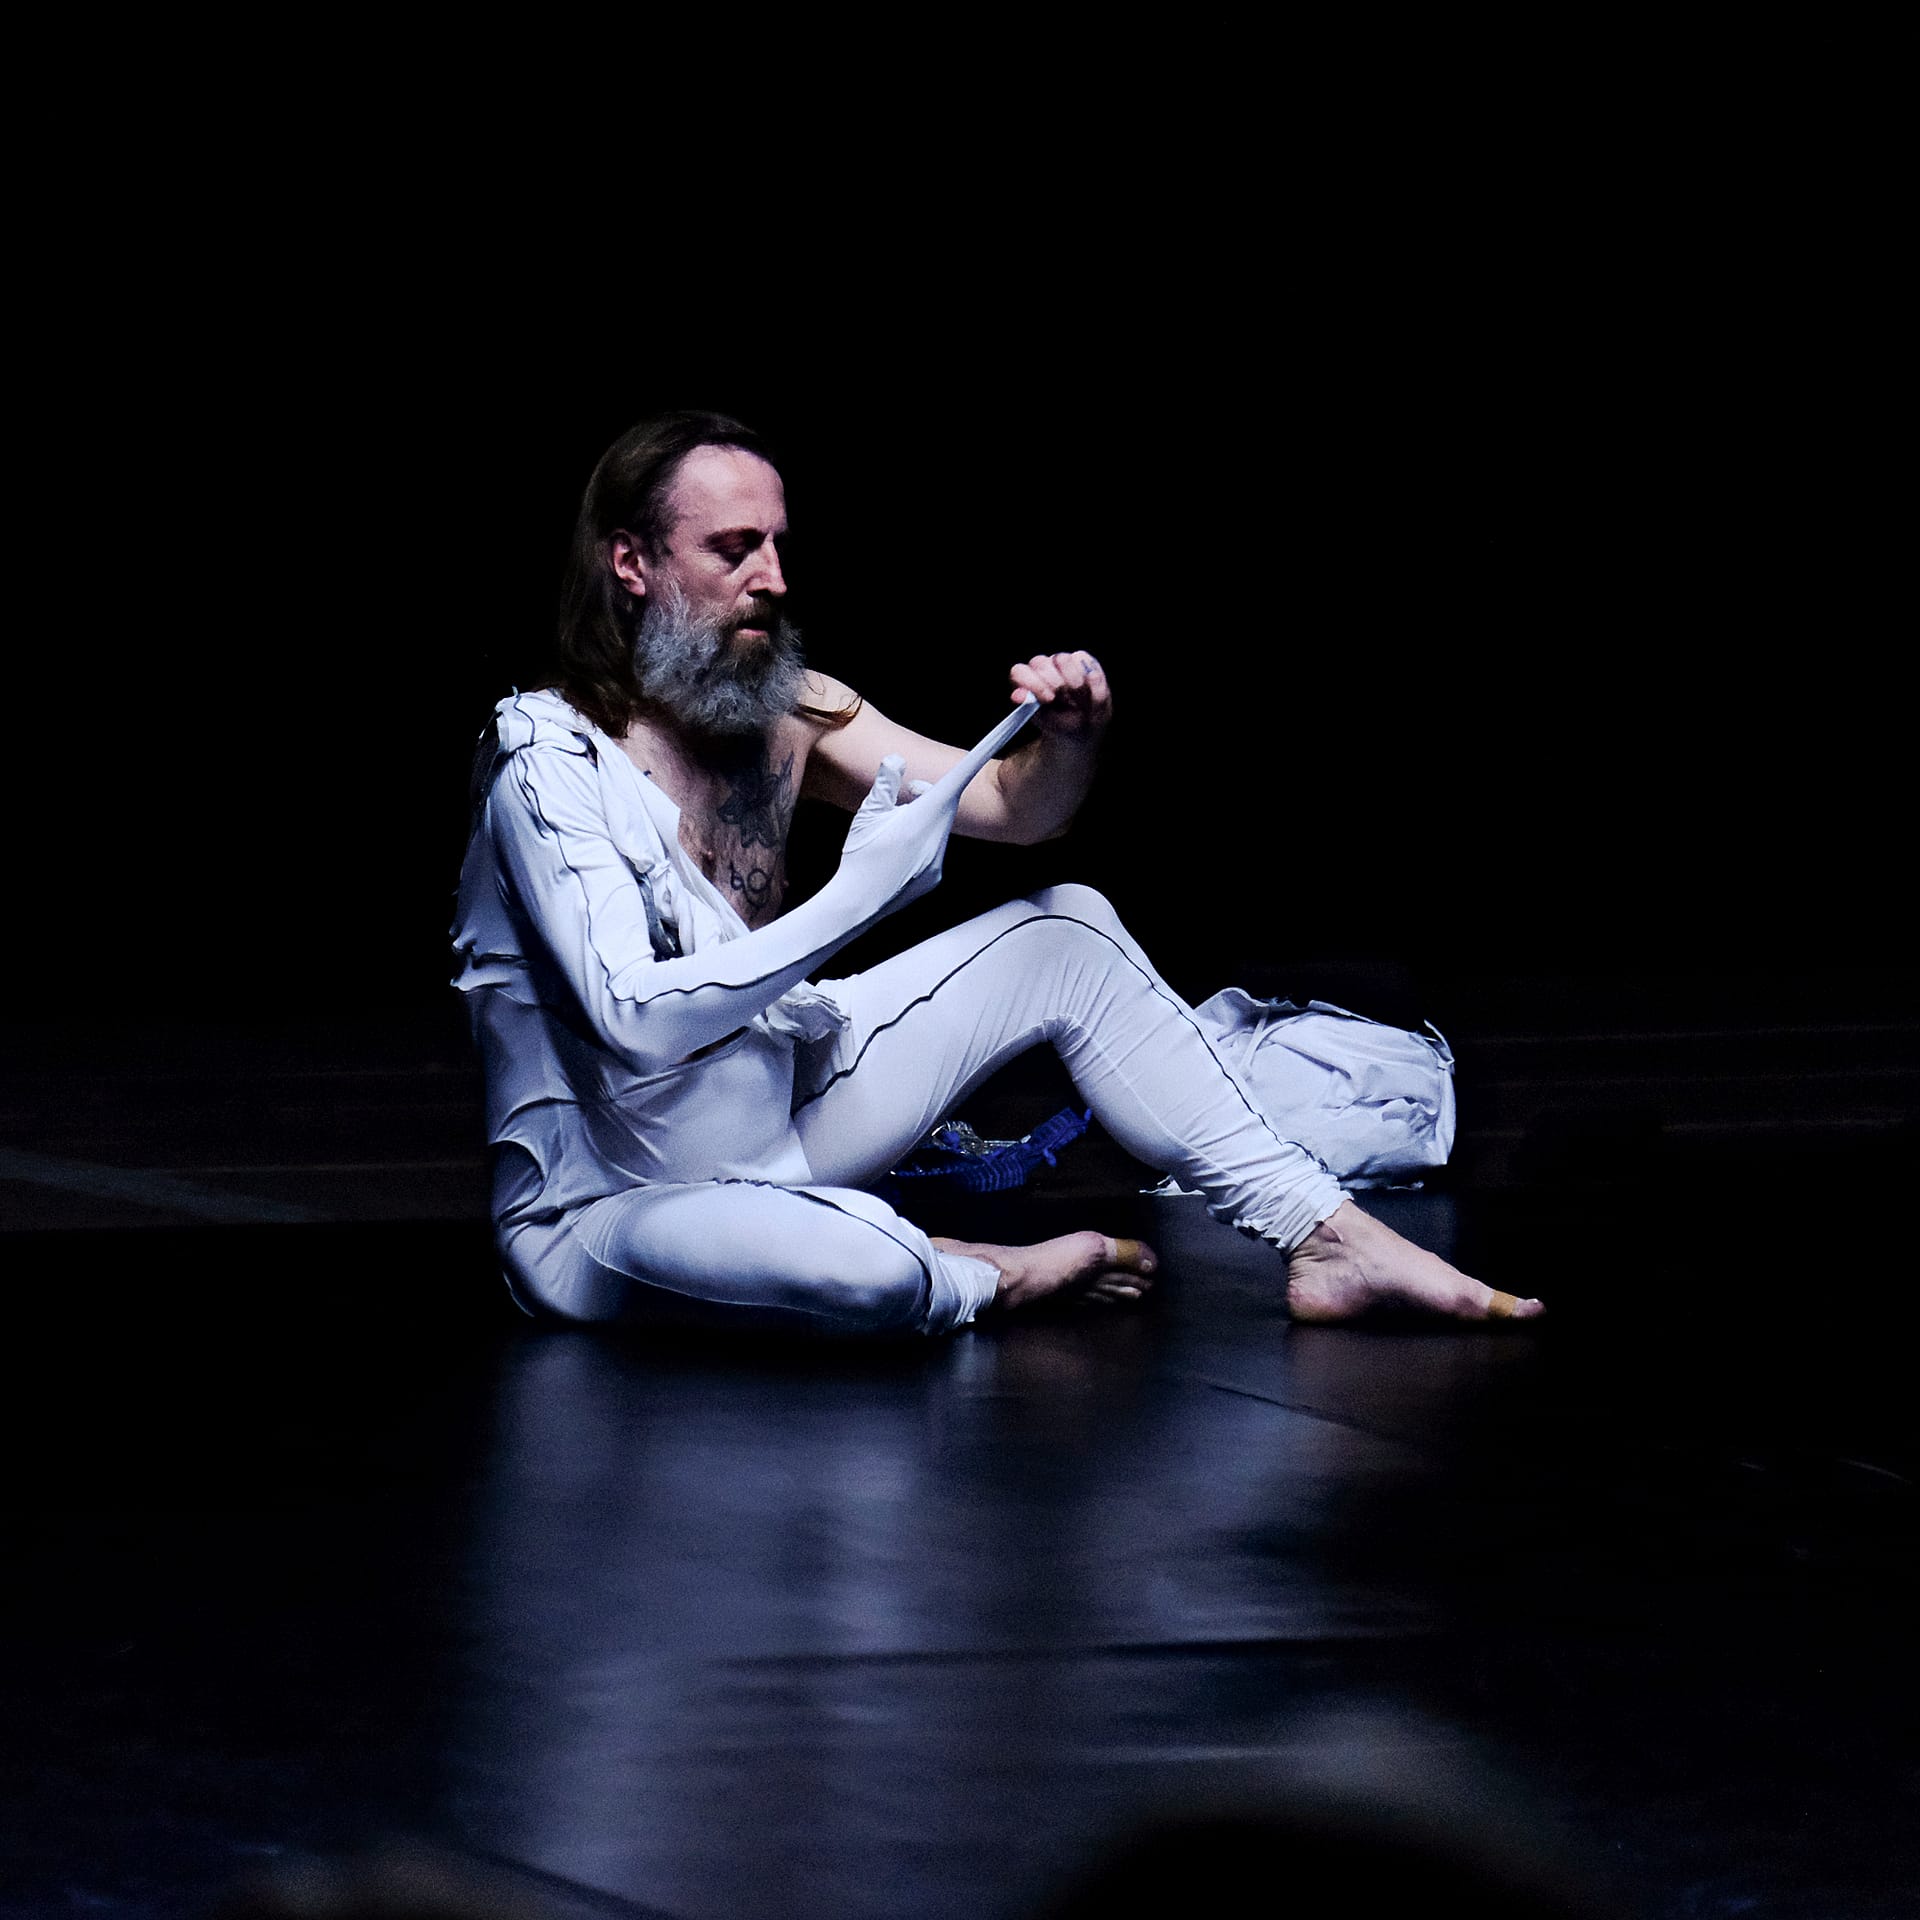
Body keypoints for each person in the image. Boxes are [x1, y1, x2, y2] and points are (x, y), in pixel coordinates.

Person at [449, 411, 1542, 1335]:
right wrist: (860, 897)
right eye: (732, 550)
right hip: (614, 1207)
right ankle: (984, 1270)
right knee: (868, 1269)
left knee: (1067, 930)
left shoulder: (790, 712)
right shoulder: (545, 760)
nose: (770, 580)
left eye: (777, 546)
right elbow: (635, 1019)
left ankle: (1328, 1237)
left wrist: (1067, 741)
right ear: (632, 564)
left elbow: (1021, 813)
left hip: (779, 1118)